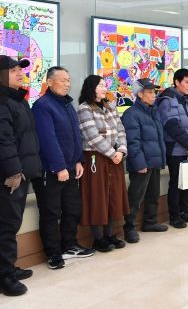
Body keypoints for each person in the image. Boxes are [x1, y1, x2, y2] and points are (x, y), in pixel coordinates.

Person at [32, 66, 94, 269]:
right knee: (50, 212)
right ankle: (53, 253)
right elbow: (47, 139)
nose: (67, 84)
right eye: (62, 80)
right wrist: (59, 167)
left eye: (68, 80)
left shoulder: (67, 105)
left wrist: (78, 160)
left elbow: (75, 136)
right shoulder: (43, 106)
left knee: (72, 209)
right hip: (51, 170)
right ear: (49, 82)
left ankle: (69, 245)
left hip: (70, 168)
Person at [0, 56, 41, 296]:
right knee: (6, 225)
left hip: (22, 173)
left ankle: (8, 266)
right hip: (9, 176)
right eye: (13, 70)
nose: (19, 73)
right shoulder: (3, 101)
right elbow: (3, 139)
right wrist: (14, 170)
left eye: (20, 69)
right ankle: (5, 276)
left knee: (12, 223)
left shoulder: (18, 100)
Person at [77, 75, 130, 252]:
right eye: (100, 85)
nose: (104, 88)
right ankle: (98, 238)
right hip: (96, 158)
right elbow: (92, 136)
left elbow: (121, 130)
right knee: (97, 197)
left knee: (112, 196)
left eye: (104, 85)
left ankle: (110, 234)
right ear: (91, 88)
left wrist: (121, 150)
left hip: (115, 158)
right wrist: (112, 153)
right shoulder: (84, 108)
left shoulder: (109, 106)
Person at [121, 78, 169, 244]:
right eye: (149, 92)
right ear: (140, 94)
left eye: (154, 92)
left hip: (154, 160)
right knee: (135, 197)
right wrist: (140, 163)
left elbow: (158, 137)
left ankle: (150, 222)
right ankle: (129, 227)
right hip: (141, 163)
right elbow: (132, 142)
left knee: (153, 194)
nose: (153, 95)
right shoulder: (131, 114)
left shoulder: (153, 111)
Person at [156, 68, 188, 228]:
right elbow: (171, 125)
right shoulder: (167, 99)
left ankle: (184, 211)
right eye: (186, 82)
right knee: (176, 182)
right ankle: (174, 216)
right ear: (177, 82)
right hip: (176, 149)